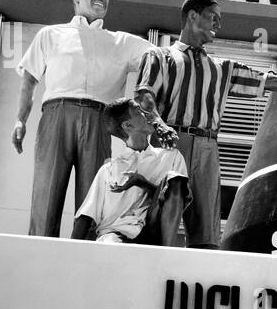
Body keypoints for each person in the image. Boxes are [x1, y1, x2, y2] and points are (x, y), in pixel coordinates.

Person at [134, 0, 277, 248]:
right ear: (193, 16)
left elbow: (264, 80)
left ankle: (200, 280)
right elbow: (144, 96)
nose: (218, 24)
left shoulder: (221, 67)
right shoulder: (160, 56)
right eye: (212, 17)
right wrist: (159, 125)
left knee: (207, 228)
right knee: (163, 217)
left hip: (208, 146)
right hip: (171, 142)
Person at [12, 0, 173, 237]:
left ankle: (85, 255)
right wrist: (20, 119)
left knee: (93, 196)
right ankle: (39, 252)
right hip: (56, 115)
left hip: (101, 120)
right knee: (46, 191)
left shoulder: (121, 41)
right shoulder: (51, 34)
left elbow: (161, 59)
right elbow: (29, 80)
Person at [72, 98, 190, 246]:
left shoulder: (171, 157)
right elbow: (86, 217)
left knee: (176, 179)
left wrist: (143, 183)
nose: (148, 114)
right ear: (128, 125)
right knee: (109, 243)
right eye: (139, 111)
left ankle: (163, 257)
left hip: (155, 235)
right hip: (115, 237)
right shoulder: (108, 170)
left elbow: (175, 203)